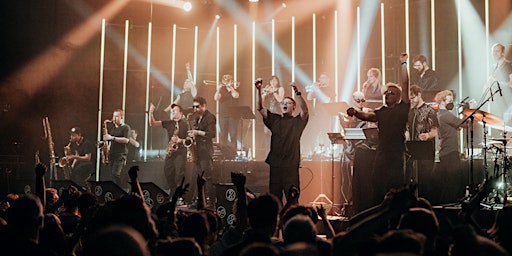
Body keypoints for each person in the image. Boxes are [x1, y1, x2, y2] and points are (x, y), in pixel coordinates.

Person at [346, 53, 410, 207]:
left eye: (391, 93)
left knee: (396, 185)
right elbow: (368, 116)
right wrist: (355, 112)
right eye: (386, 92)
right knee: (377, 183)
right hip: (382, 152)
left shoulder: (403, 108)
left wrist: (403, 64)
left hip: (396, 152)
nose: (387, 94)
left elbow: (406, 83)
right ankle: (379, 210)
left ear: (398, 97)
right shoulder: (381, 111)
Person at [255, 78, 309, 204]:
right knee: (274, 199)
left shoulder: (297, 122)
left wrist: (297, 92)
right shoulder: (275, 120)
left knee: (292, 198)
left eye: (288, 103)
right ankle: (276, 222)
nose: (285, 104)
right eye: (283, 102)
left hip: (290, 165)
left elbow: (305, 111)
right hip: (276, 164)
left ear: (294, 107)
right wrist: (258, 90)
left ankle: (292, 221)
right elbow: (260, 108)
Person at [433, 90, 468, 204]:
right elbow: (464, 124)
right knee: (454, 183)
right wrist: (468, 111)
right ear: (442, 101)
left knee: (450, 182)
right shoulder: (445, 115)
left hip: (446, 152)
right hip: (450, 152)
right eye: (450, 100)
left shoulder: (441, 114)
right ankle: (449, 205)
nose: (451, 103)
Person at [406, 84, 439, 199]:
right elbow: (407, 130)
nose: (411, 101)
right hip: (412, 149)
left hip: (426, 150)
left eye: (413, 98)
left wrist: (427, 135)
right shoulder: (410, 112)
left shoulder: (429, 111)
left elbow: (435, 130)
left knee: (425, 179)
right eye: (409, 99)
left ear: (419, 95)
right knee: (412, 179)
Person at [149, 103, 189, 195]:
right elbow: (153, 123)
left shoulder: (186, 124)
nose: (172, 112)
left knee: (179, 174)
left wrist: (180, 140)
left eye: (174, 111)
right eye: (171, 111)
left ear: (181, 113)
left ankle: (180, 196)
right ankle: (173, 191)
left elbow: (190, 140)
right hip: (171, 152)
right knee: (168, 172)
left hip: (181, 152)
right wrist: (151, 112)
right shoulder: (169, 123)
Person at [188, 96, 216, 204]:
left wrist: (197, 132)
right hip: (198, 151)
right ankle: (198, 199)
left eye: (197, 107)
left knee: (207, 176)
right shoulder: (196, 118)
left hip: (205, 151)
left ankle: (211, 201)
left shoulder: (210, 117)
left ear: (204, 106)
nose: (194, 109)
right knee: (196, 176)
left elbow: (212, 134)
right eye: (193, 107)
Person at [103, 109, 131, 188]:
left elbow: (126, 140)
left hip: (120, 155)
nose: (113, 118)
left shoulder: (126, 127)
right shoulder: (113, 129)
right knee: (112, 175)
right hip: (112, 154)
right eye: (113, 116)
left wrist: (112, 138)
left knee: (116, 174)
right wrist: (106, 151)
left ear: (121, 117)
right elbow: (111, 142)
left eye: (116, 116)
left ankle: (121, 190)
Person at [214, 74, 240, 152]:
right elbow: (216, 98)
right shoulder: (222, 90)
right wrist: (218, 89)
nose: (226, 81)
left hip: (233, 116)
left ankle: (233, 152)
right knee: (223, 135)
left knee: (233, 135)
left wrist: (231, 87)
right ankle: (223, 153)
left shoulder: (235, 89)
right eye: (225, 80)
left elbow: (236, 96)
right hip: (223, 115)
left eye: (228, 80)